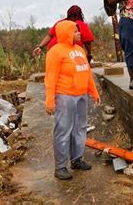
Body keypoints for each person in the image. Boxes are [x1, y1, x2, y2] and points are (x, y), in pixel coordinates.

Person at [44, 20, 101, 180]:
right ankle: (60, 167)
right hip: (65, 96)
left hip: (81, 95)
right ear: (66, 33)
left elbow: (87, 73)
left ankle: (77, 159)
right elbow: (50, 78)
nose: (79, 33)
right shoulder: (55, 52)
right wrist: (50, 101)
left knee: (80, 128)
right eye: (75, 31)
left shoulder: (79, 50)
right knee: (63, 130)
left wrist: (94, 92)